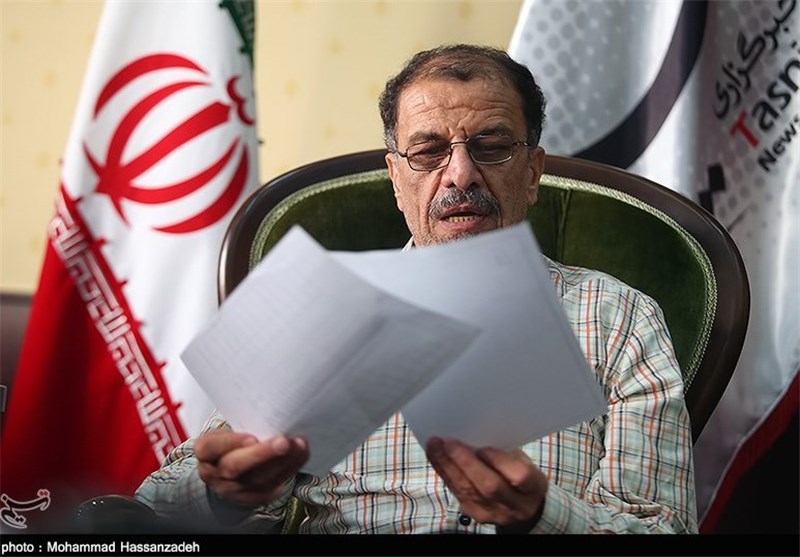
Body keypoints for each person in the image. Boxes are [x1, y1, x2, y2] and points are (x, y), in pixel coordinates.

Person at [134, 44, 698, 535]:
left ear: (531, 173)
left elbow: (663, 528)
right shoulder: (321, 311)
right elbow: (158, 511)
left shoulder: (618, 315)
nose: (460, 174)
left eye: (491, 146)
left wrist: (541, 515)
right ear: (397, 179)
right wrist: (224, 496)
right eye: (429, 152)